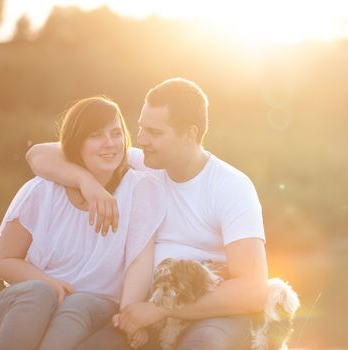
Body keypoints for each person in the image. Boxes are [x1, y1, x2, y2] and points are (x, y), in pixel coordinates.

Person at [26, 78, 269, 350]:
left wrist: (163, 309)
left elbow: (253, 289)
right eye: (141, 128)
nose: (141, 140)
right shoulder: (144, 162)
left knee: (201, 345)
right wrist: (87, 183)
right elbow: (38, 155)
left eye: (154, 132)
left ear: (189, 134)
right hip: (140, 312)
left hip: (209, 313)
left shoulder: (231, 186)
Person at [0, 97, 165, 350]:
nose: (109, 143)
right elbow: (3, 261)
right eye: (96, 135)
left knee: (79, 303)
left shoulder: (140, 190)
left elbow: (139, 261)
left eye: (116, 133)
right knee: (39, 293)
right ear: (75, 144)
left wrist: (130, 317)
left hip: (94, 307)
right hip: (29, 306)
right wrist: (50, 285)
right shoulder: (42, 190)